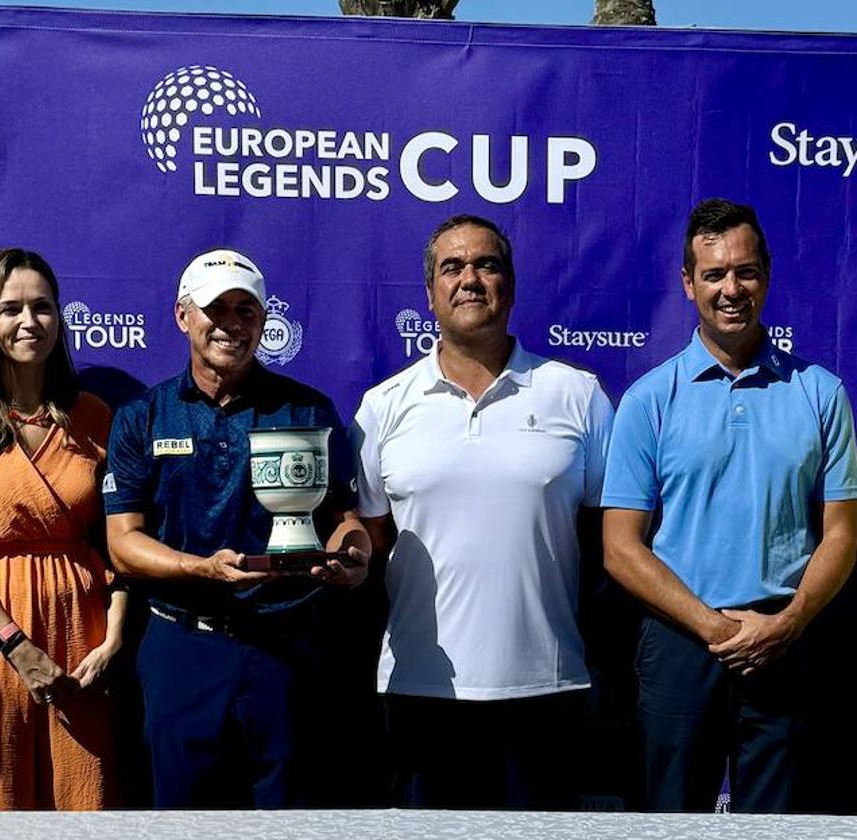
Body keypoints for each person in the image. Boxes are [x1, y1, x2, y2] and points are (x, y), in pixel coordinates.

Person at [602, 198, 857, 812]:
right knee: (670, 821)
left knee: (782, 827)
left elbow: (843, 534)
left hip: (785, 639)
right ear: (688, 284)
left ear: (766, 275)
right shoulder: (648, 399)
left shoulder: (821, 392)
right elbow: (619, 548)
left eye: (744, 271)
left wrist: (788, 623)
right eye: (713, 275)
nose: (731, 289)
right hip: (680, 641)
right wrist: (715, 628)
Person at [351, 214, 614, 809]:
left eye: (486, 265)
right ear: (430, 294)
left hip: (548, 686)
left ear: (511, 286)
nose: (470, 279)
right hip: (421, 687)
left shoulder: (577, 394)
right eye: (453, 267)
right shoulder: (382, 407)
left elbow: (610, 542)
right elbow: (366, 534)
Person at [103, 248, 370, 808]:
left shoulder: (308, 411)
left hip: (284, 646)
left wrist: (353, 553)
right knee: (180, 824)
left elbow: (343, 518)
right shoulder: (141, 417)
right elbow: (122, 543)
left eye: (246, 310)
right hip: (179, 646)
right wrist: (199, 568)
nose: (231, 324)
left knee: (288, 823)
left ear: (264, 320)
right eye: (214, 308)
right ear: (182, 315)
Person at [0, 248, 124, 810]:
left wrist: (115, 637)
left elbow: (118, 543)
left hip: (83, 628)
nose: (29, 322)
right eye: (11, 309)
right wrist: (16, 647)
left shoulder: (95, 416)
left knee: (84, 795)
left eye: (42, 307)